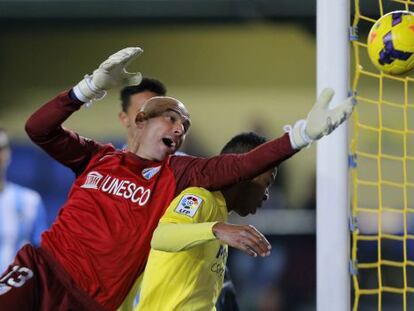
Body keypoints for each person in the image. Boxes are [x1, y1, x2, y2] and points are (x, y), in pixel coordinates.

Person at [0, 47, 354, 311]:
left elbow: (241, 165)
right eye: (171, 118)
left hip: (93, 303)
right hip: (42, 269)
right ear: (141, 121)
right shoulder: (98, 157)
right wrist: (88, 87)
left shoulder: (180, 173)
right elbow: (39, 129)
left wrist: (302, 136)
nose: (180, 128)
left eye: (184, 126)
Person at [118, 78, 240, 311]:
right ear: (126, 118)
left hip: (170, 282)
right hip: (122, 283)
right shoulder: (107, 170)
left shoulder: (187, 171)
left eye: (163, 114)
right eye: (142, 112)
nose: (149, 119)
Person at [136, 132, 276, 310]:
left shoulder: (219, 214)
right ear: (247, 172)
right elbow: (160, 236)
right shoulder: (200, 197)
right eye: (268, 183)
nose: (266, 195)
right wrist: (218, 229)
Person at [0, 127, 48, 274]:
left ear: (8, 153)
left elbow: (41, 254)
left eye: (1, 148)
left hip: (14, 293)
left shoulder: (30, 201)